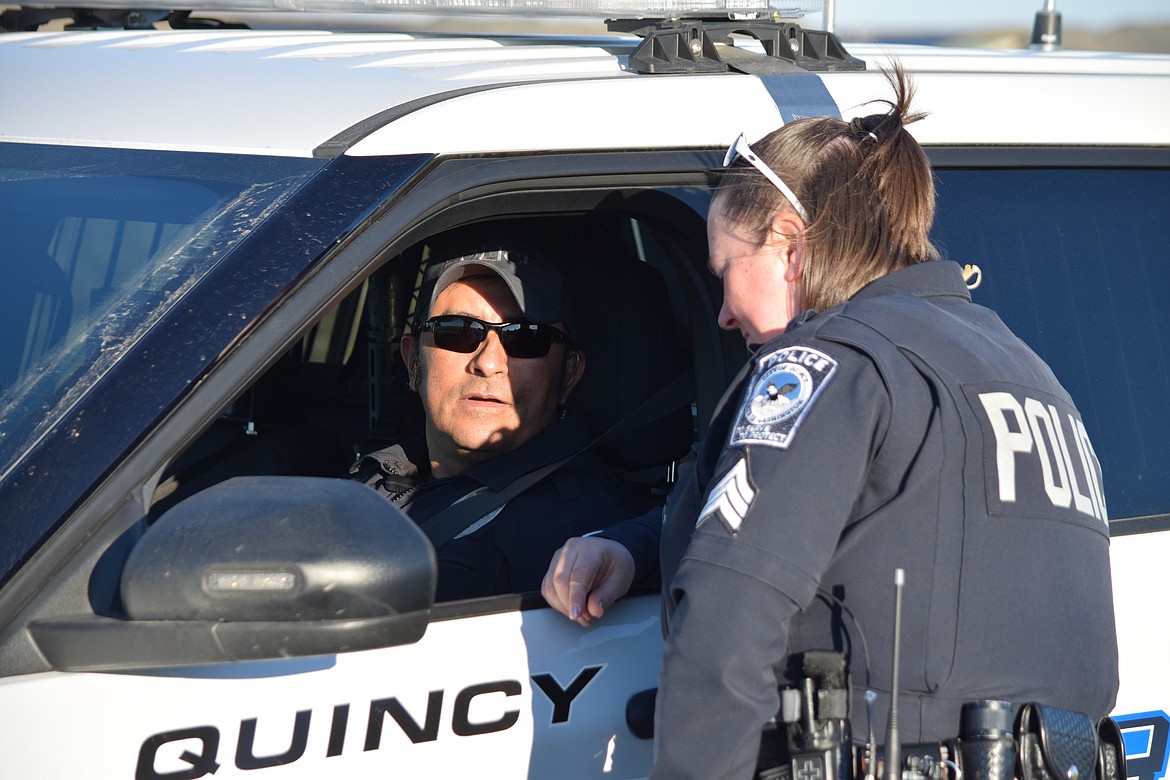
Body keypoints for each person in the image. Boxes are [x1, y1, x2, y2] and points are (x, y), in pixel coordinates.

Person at [542, 66, 1118, 779]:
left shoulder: (827, 365)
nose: (722, 312)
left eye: (726, 268)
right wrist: (636, 547)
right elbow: (873, 526)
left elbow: (726, 627)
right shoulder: (1025, 372)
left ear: (789, 244)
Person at [353, 237, 649, 601]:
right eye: (457, 330)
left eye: (527, 338)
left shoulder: (580, 538)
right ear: (413, 360)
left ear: (568, 374)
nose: (489, 362)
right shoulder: (374, 472)